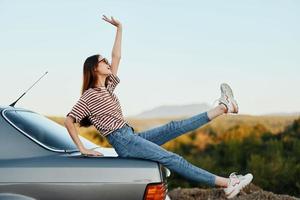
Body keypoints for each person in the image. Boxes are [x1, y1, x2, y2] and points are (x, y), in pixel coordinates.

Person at [64, 14, 253, 199]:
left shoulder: (108, 88)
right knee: (172, 159)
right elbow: (69, 120)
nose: (107, 62)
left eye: (106, 61)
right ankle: (228, 184)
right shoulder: (89, 95)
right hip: (123, 141)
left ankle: (223, 108)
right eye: (102, 61)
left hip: (130, 135)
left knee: (174, 127)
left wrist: (120, 28)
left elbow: (117, 56)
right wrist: (82, 148)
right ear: (94, 68)